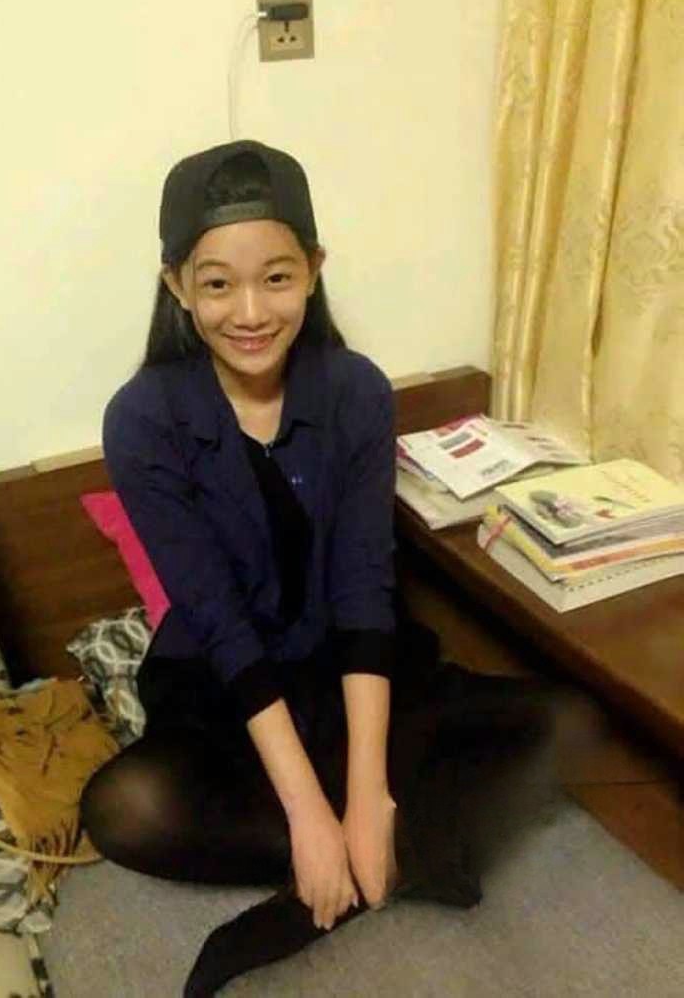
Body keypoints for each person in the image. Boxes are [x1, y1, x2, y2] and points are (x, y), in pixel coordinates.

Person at [81, 140, 554, 990]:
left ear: (314, 270)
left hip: (348, 669)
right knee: (125, 809)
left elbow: (364, 591)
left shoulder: (357, 391)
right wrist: (308, 814)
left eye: (277, 277)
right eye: (217, 284)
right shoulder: (143, 417)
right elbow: (218, 621)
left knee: (548, 723)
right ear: (176, 285)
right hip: (231, 686)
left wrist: (367, 794)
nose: (250, 312)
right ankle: (379, 853)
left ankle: (370, 839)